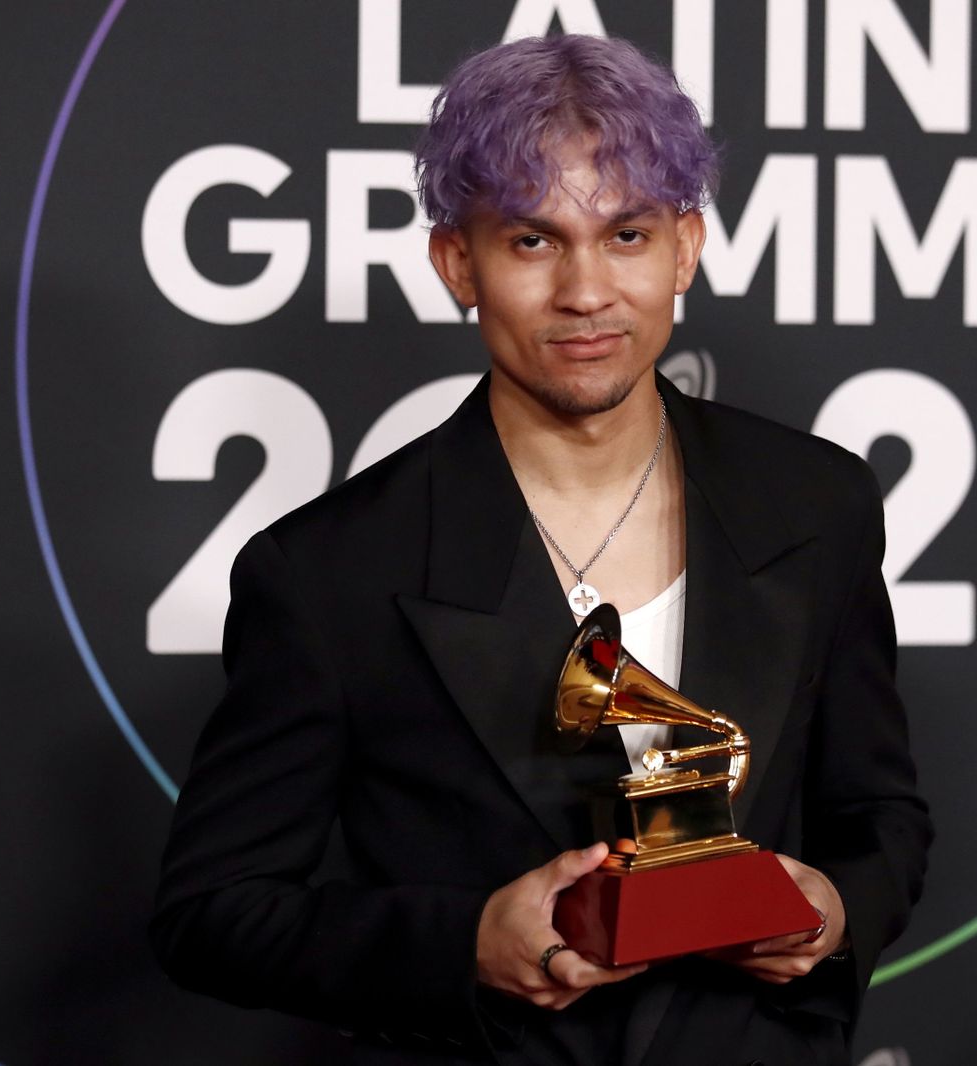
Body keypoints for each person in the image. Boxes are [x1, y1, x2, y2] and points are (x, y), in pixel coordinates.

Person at [151, 34, 931, 1066]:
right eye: (531, 241)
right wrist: (466, 941)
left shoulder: (818, 502)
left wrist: (832, 910)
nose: (586, 292)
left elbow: (879, 815)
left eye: (626, 234)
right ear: (455, 263)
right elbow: (212, 913)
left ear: (685, 248)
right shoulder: (328, 572)